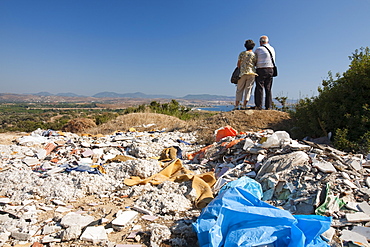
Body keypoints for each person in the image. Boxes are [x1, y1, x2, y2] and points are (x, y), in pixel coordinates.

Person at [234, 39, 257, 110]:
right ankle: (244, 105)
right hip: (251, 73)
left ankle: (237, 105)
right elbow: (255, 63)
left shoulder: (242, 54)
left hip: (242, 73)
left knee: (239, 89)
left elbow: (238, 64)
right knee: (248, 89)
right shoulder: (254, 55)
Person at [254, 35, 276, 110]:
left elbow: (254, 60)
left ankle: (259, 106)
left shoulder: (258, 49)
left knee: (259, 87)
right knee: (268, 88)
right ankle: (268, 106)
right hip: (270, 69)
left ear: (260, 42)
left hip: (261, 69)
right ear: (268, 41)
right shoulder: (272, 49)